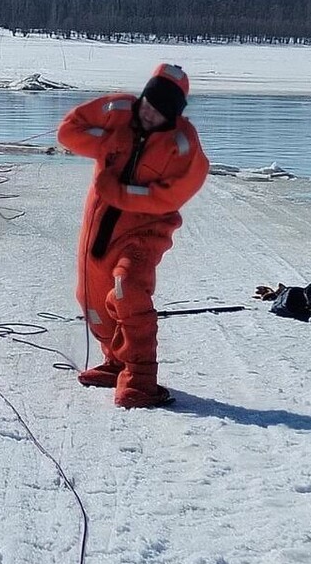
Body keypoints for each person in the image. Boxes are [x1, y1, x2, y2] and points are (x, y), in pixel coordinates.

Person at [56, 64, 210, 408]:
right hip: (99, 229)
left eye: (158, 113)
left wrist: (121, 192)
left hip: (144, 231)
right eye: (147, 106)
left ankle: (141, 380)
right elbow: (68, 131)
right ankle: (116, 360)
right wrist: (108, 139)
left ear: (173, 115)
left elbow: (172, 195)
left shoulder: (183, 142)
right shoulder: (121, 113)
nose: (149, 115)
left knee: (127, 288)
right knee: (91, 298)